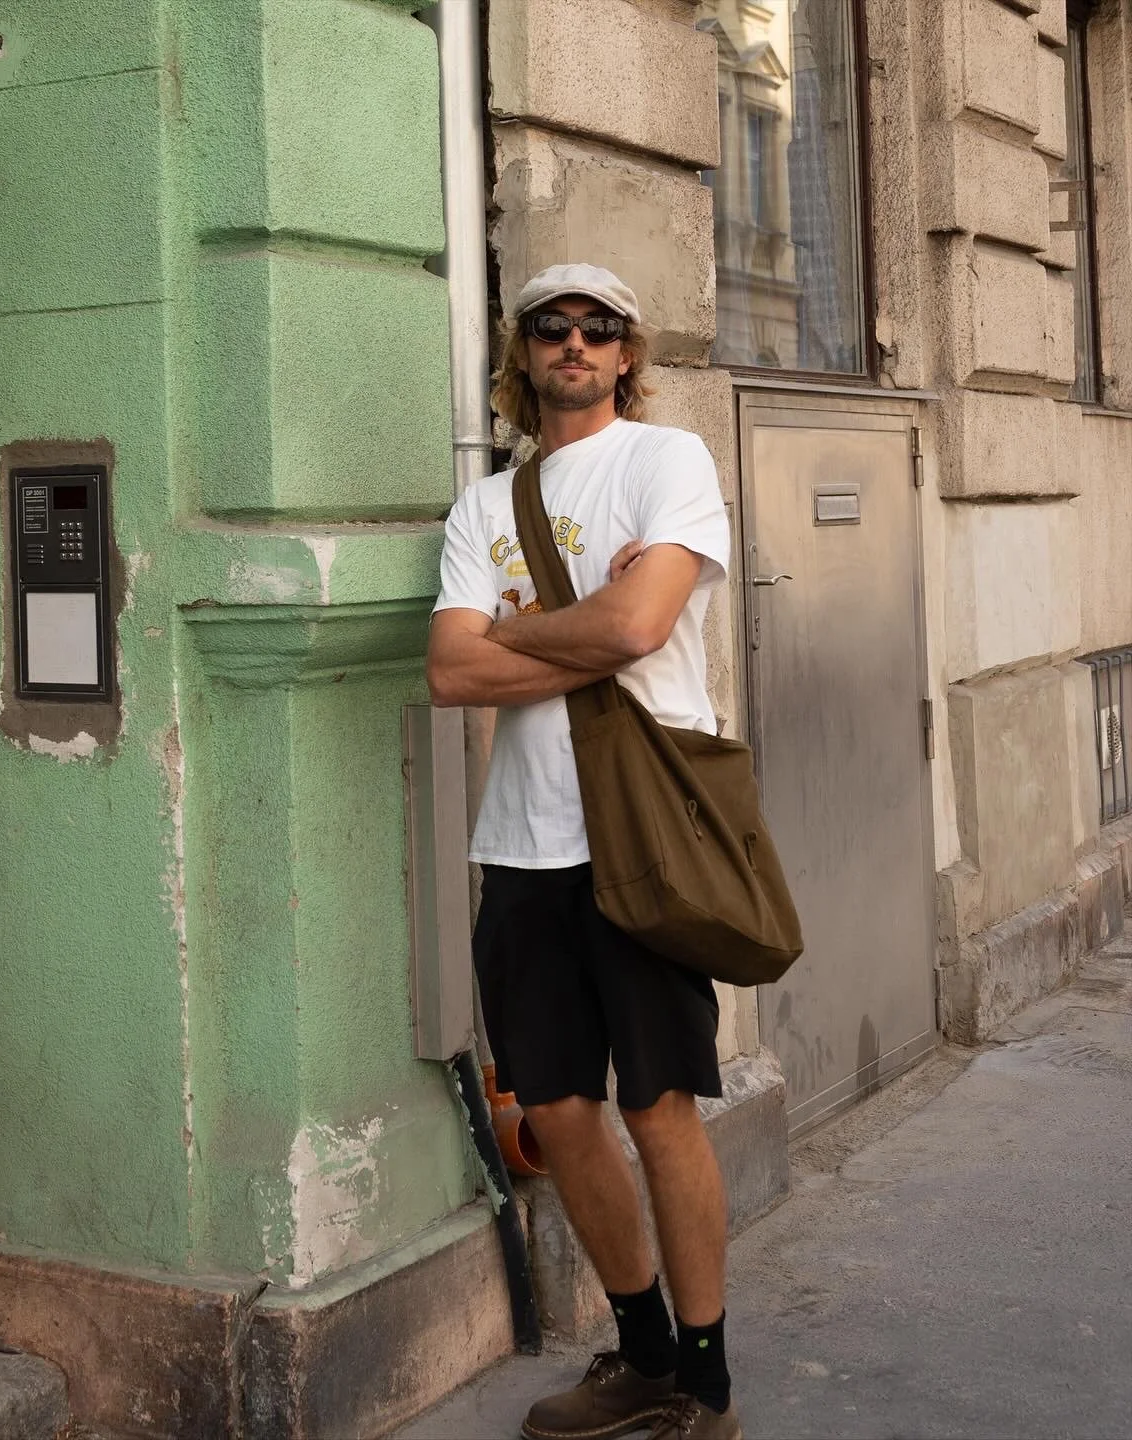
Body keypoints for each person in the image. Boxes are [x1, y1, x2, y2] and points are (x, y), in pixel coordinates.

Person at [426, 263, 740, 1440]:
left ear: (624, 355)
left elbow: (641, 623)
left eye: (597, 329)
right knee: (557, 1113)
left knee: (659, 1107)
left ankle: (706, 1383)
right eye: (551, 328)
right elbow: (454, 672)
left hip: (643, 841)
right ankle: (644, 1352)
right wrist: (580, 632)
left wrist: (522, 632)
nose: (573, 343)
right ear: (524, 354)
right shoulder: (483, 510)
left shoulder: (667, 463)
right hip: (524, 846)